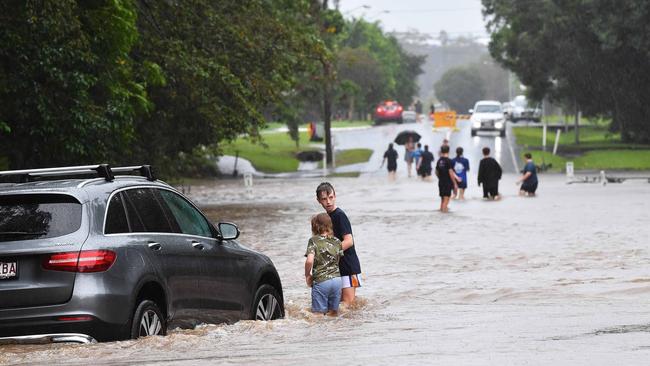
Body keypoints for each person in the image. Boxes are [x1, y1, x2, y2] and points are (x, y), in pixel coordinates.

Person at [315, 182, 361, 304]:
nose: (328, 202)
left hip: (349, 266)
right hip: (337, 268)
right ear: (318, 200)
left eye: (330, 197)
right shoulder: (326, 218)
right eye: (324, 199)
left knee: (348, 305)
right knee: (338, 305)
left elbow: (349, 241)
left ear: (335, 196)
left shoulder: (340, 216)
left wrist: (330, 253)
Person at [304, 213, 344, 316]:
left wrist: (308, 275)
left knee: (318, 315)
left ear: (315, 226)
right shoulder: (337, 241)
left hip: (321, 281)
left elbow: (309, 261)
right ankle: (333, 332)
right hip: (337, 281)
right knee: (333, 313)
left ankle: (320, 332)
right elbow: (338, 261)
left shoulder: (313, 241)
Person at [435, 145, 460, 212]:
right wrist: (455, 183)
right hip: (447, 182)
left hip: (441, 182)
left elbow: (436, 172)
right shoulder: (449, 161)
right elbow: (451, 172)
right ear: (448, 151)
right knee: (446, 199)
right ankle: (443, 215)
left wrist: (440, 178)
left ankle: (441, 211)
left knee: (442, 199)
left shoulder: (439, 161)